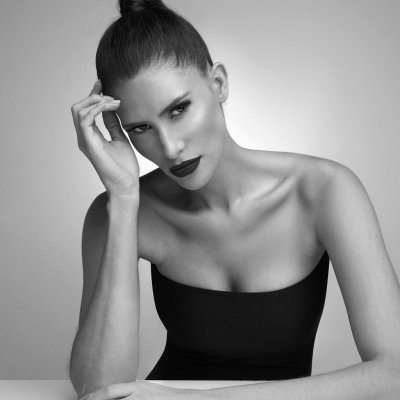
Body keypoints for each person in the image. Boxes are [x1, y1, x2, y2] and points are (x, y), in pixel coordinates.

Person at [69, 0, 400, 399]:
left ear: (219, 83)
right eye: (140, 128)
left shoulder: (326, 190)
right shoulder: (118, 211)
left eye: (179, 109)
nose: (170, 147)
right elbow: (97, 389)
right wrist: (123, 199)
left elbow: (394, 372)